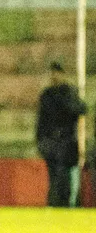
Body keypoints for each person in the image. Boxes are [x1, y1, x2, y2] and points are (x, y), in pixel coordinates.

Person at [36, 62, 86, 207]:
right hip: (51, 141)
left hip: (67, 141)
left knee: (64, 175)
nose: (54, 76)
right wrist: (40, 140)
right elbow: (41, 120)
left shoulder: (69, 92)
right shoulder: (47, 95)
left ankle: (67, 204)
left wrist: (65, 97)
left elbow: (81, 109)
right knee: (54, 176)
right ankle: (55, 204)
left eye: (56, 73)